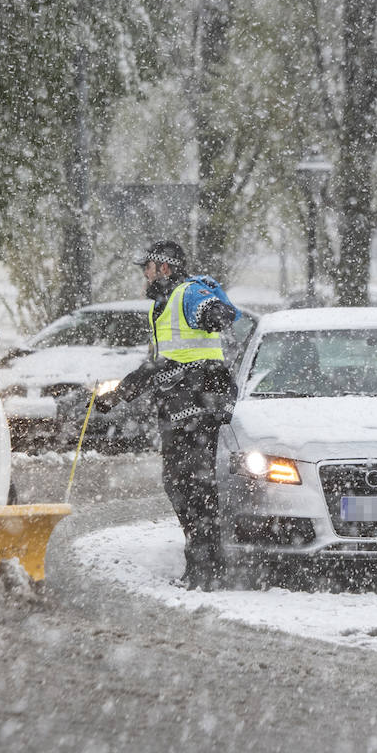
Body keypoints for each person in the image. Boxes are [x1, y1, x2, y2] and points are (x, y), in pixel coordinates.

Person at [94, 240, 240, 590]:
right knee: (178, 485)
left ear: (164, 267)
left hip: (199, 404)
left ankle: (209, 571)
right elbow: (159, 363)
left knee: (197, 487)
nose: (143, 274)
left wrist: (213, 311)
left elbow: (218, 313)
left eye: (147, 267)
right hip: (176, 406)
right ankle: (201, 566)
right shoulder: (160, 307)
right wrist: (118, 395)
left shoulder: (189, 293)